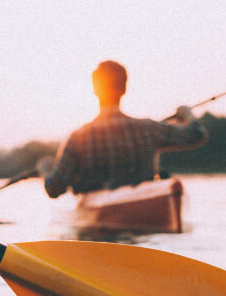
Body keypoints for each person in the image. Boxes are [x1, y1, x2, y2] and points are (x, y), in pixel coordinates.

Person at [42, 60, 208, 198]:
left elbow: (54, 188)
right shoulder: (148, 129)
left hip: (95, 225)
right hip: (143, 208)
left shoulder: (78, 138)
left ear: (95, 90)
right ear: (124, 88)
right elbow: (197, 134)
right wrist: (187, 114)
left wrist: (45, 170)